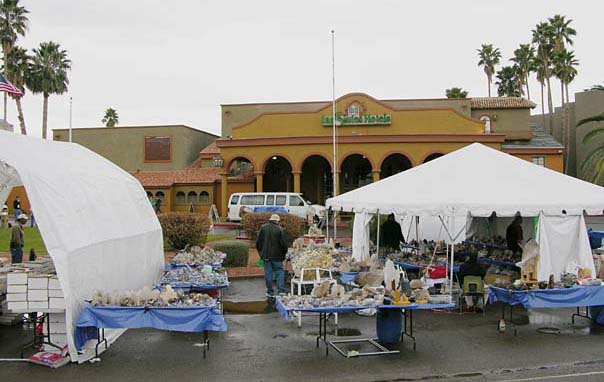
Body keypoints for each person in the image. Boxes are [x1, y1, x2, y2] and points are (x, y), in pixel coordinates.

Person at [256, 214, 288, 297]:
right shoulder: (280, 229)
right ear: (277, 221)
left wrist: (261, 253)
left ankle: (270, 291)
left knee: (268, 273)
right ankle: (281, 291)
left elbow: (258, 242)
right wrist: (284, 253)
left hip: (266, 255)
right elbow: (284, 244)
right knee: (280, 272)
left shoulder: (263, 228)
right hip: (278, 256)